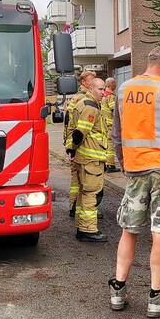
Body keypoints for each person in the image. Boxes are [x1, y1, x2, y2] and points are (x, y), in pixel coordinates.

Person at [109, 46, 160, 318]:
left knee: (129, 228)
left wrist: (124, 163)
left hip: (135, 169)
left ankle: (118, 290)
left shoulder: (123, 90)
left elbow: (116, 135)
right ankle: (156, 298)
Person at [68, 77, 110, 242]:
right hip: (91, 160)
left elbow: (72, 129)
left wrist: (71, 149)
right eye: (100, 89)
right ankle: (88, 230)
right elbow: (80, 133)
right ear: (91, 88)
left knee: (83, 193)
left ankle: (82, 226)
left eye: (104, 89)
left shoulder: (82, 103)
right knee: (90, 194)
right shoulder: (91, 107)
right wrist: (72, 148)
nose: (103, 93)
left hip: (83, 158)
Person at [64, 70, 97, 218]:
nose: (93, 83)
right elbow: (76, 125)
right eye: (91, 80)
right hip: (81, 146)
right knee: (82, 181)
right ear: (83, 82)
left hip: (75, 144)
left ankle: (75, 208)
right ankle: (77, 209)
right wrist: (72, 147)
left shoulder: (76, 97)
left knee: (76, 179)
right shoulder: (83, 99)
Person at [101, 77, 120, 173]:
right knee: (110, 146)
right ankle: (110, 165)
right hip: (110, 125)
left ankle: (105, 164)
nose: (116, 84)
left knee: (105, 145)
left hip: (103, 124)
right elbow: (115, 110)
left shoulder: (103, 95)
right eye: (114, 83)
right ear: (111, 84)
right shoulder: (111, 97)